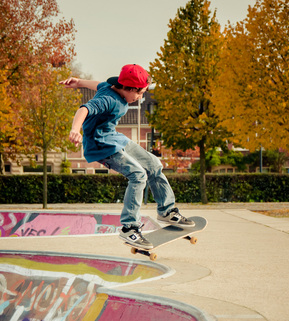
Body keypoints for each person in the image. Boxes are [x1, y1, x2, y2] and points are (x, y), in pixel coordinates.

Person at [60, 64, 194, 250]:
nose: (140, 98)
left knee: (154, 164)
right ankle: (129, 227)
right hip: (101, 145)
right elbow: (84, 109)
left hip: (114, 138)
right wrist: (75, 130)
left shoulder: (110, 86)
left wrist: (79, 82)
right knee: (138, 174)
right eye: (139, 94)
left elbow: (97, 84)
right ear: (128, 88)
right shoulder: (109, 99)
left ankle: (166, 210)